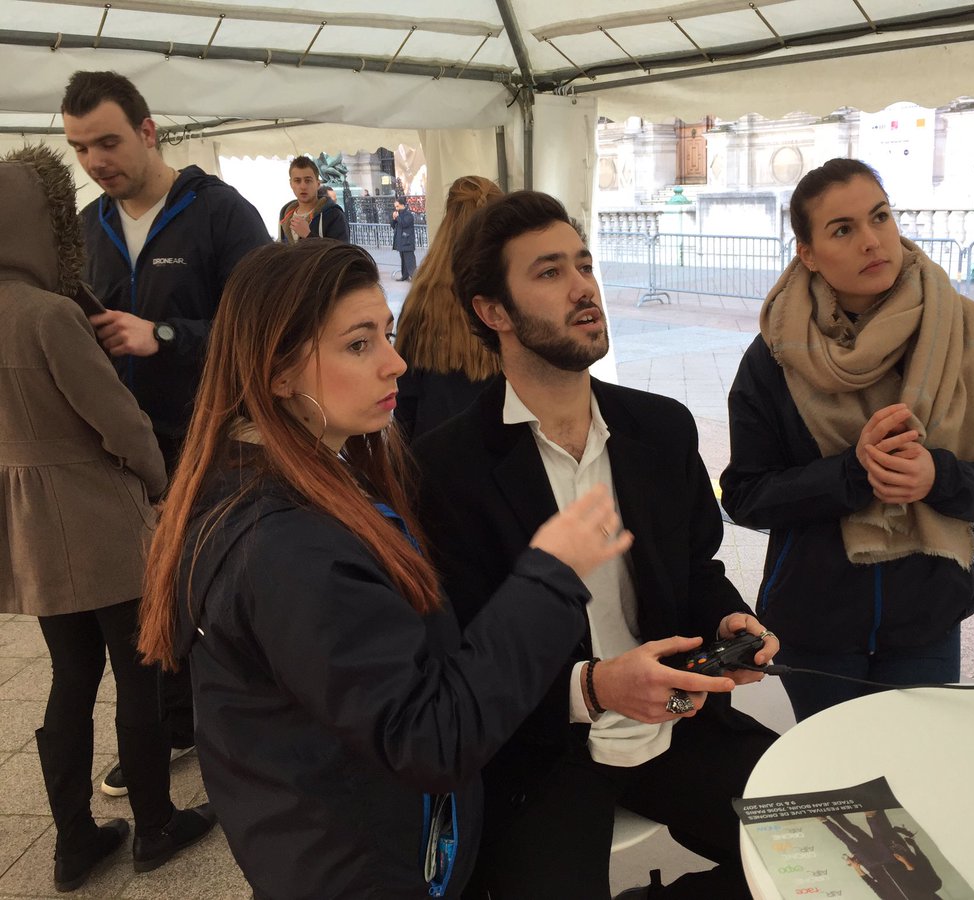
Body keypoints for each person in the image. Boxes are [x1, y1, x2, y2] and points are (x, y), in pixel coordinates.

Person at [135, 238, 629, 899]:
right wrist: (550, 572)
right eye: (359, 344)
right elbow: (428, 736)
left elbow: (392, 674)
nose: (395, 363)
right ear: (277, 372)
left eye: (387, 334)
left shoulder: (305, 482)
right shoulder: (286, 546)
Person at [412, 191, 779, 900]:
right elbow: (460, 655)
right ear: (493, 311)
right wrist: (593, 688)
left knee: (835, 847)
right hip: (540, 748)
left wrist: (729, 619)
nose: (584, 286)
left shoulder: (661, 429)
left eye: (583, 264)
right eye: (549, 273)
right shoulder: (444, 469)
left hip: (680, 722)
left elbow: (696, 568)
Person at [720, 158, 974, 722]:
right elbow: (746, 495)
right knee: (834, 778)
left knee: (917, 771)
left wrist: (939, 478)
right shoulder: (775, 358)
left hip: (926, 619)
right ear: (808, 253)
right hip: (816, 619)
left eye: (880, 217)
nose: (872, 241)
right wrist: (852, 475)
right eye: (842, 230)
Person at [0, 145, 215, 893]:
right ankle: (155, 824)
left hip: (29, 531)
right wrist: (160, 479)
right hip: (97, 519)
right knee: (141, 669)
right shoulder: (48, 314)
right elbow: (117, 420)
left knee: (68, 675)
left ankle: (72, 842)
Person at [61, 68, 272, 798]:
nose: (95, 162)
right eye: (80, 148)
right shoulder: (89, 229)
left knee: (219, 589)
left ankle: (243, 723)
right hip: (129, 454)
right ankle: (172, 726)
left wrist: (166, 333)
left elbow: (268, 330)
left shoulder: (220, 215)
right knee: (157, 591)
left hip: (218, 441)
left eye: (108, 142)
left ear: (149, 132)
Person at [392, 175, 504, 439]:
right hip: (501, 440)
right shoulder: (512, 289)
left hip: (433, 439)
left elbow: (405, 390)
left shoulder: (423, 294)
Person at [278, 155, 349, 243]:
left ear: (318, 184)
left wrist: (308, 235)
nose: (303, 186)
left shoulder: (334, 215)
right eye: (297, 181)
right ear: (291, 184)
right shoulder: (285, 215)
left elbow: (341, 253)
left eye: (308, 181)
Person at [392, 196, 417, 281]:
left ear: (403, 205)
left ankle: (414, 277)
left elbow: (404, 224)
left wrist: (398, 217)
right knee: (403, 260)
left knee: (410, 260)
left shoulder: (408, 214)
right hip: (400, 241)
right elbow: (393, 226)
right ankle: (405, 275)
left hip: (407, 241)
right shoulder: (399, 214)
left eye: (397, 206)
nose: (396, 208)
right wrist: (394, 219)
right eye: (395, 206)